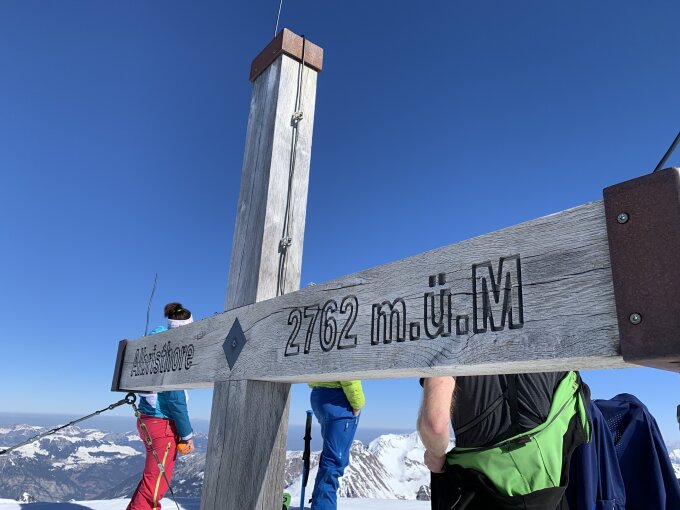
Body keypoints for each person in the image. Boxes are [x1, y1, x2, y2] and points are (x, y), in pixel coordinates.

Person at [417, 371, 590, 510]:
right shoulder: (553, 336)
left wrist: (436, 456)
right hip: (550, 485)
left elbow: (434, 425)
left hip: (479, 491)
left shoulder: (449, 338)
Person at [127, 302, 195, 510]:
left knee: (151, 481)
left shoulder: (153, 345)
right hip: (162, 424)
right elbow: (175, 399)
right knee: (154, 488)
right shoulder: (172, 351)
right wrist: (187, 435)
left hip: (148, 420)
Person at [308, 380, 365, 510]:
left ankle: (320, 504)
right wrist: (357, 403)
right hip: (339, 401)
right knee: (334, 461)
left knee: (331, 457)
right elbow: (349, 373)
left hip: (320, 395)